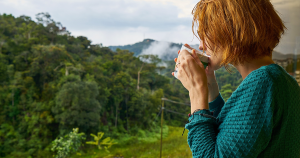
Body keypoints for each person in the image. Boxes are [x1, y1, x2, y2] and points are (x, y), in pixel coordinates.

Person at [171, 0, 300, 157]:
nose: (201, 46)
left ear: (230, 32)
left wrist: (197, 91)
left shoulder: (264, 83)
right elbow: (231, 136)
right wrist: (210, 87)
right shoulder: (282, 80)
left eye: (206, 35)